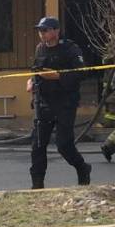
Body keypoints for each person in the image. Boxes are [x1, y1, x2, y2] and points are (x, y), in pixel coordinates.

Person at [27, 16, 91, 189]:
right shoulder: (40, 49)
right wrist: (31, 81)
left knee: (64, 144)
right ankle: (37, 185)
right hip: (43, 103)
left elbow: (82, 73)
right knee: (38, 146)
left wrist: (59, 76)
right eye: (40, 31)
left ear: (56, 31)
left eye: (46, 30)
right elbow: (35, 71)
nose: (42, 34)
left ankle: (82, 168)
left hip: (64, 103)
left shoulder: (70, 49)